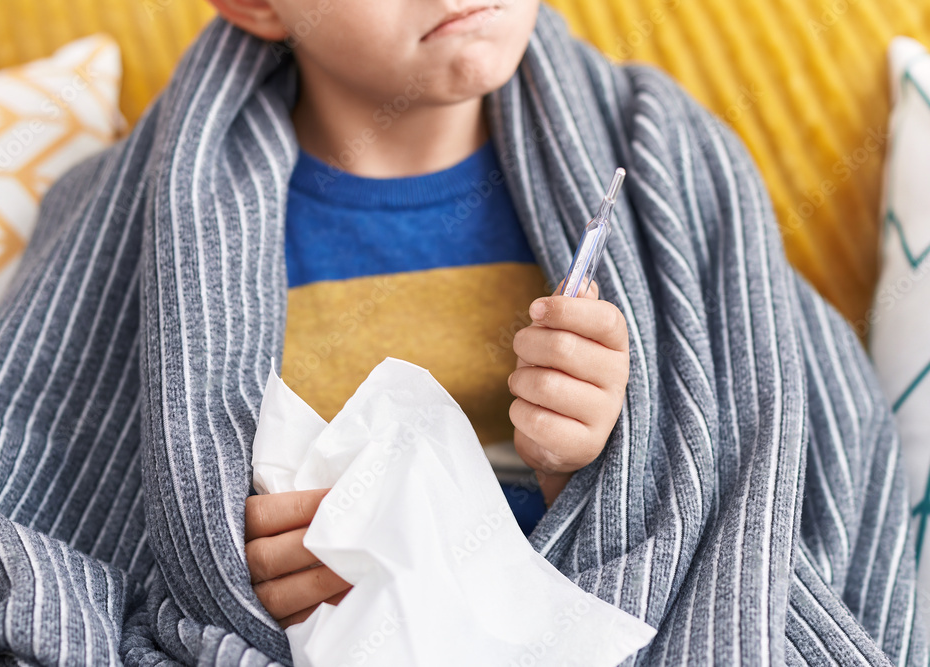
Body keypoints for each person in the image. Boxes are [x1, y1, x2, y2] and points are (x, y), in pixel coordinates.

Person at [0, 0, 924, 663]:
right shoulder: (134, 220)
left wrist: (594, 471)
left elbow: (776, 467)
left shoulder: (662, 164)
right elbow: (51, 507)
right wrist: (227, 569)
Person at [222, 0, 631, 629]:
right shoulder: (155, 218)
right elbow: (91, 505)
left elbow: (739, 481)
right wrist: (219, 555)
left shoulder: (663, 154)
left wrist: (578, 469)